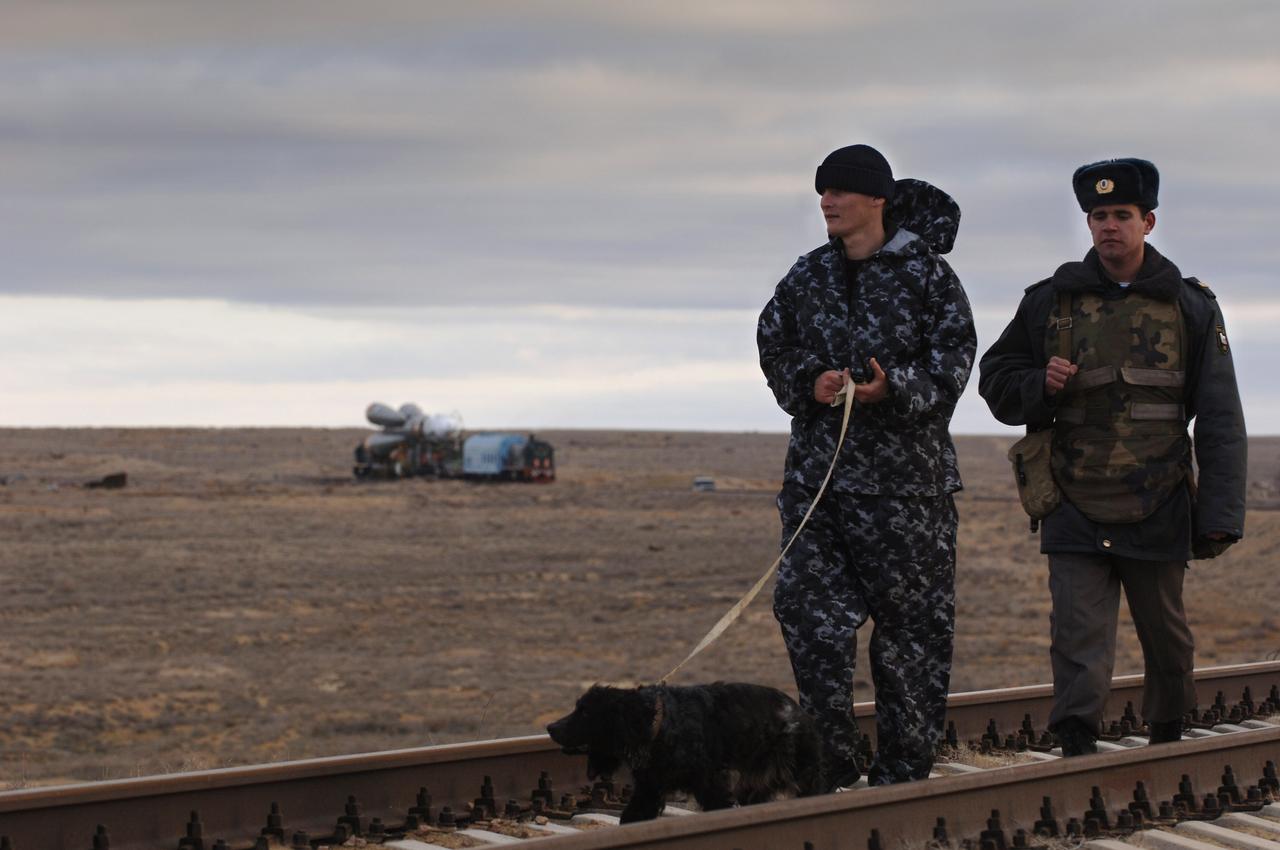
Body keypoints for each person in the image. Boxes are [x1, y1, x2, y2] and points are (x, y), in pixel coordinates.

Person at [978, 158, 1247, 755]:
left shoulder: (1191, 306)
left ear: (1148, 221)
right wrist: (1037, 384)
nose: (1109, 226)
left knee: (1167, 640)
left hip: (1159, 499)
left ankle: (1168, 744)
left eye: (1122, 215)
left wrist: (1221, 515)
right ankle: (1076, 750)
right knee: (1076, 638)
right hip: (1073, 499)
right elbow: (994, 378)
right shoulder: (1050, 302)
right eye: (1098, 216)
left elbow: (1222, 417)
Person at [757, 144, 975, 787]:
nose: (826, 201)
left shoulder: (929, 277)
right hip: (818, 488)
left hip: (907, 493)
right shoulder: (808, 275)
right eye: (821, 192)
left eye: (839, 192)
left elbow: (954, 362)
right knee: (809, 619)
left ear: (876, 200)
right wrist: (810, 380)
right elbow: (773, 341)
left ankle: (904, 773)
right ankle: (829, 764)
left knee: (911, 634)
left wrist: (895, 388)